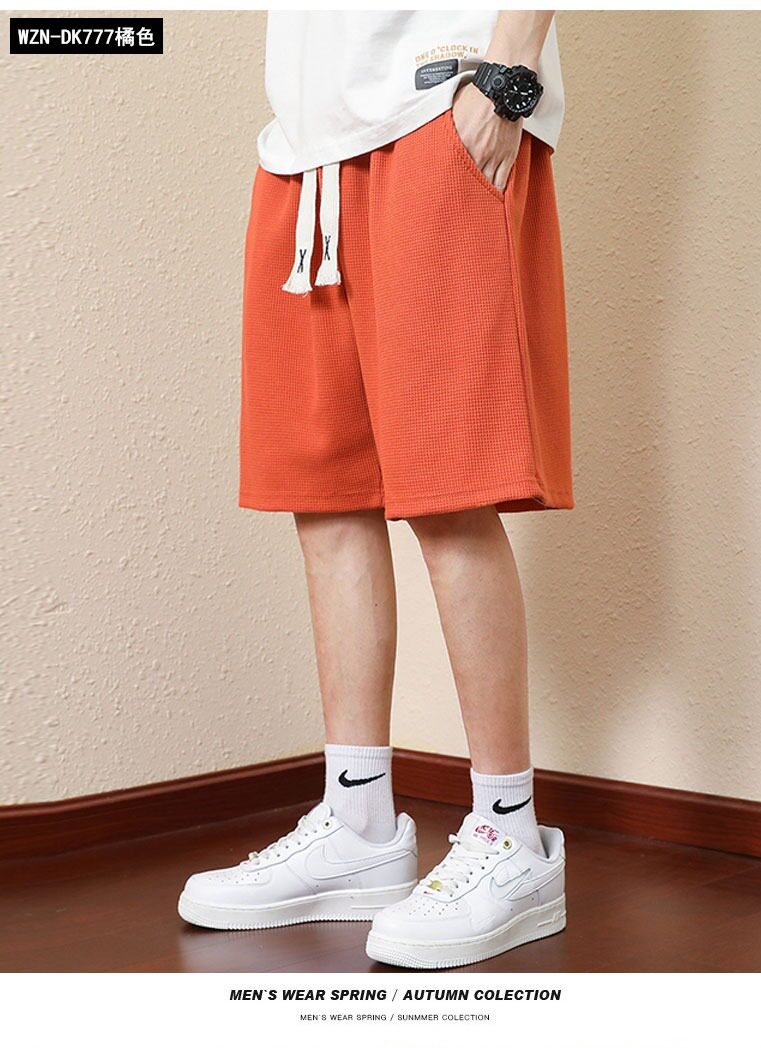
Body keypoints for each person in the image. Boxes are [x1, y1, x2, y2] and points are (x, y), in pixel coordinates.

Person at [179, 9, 573, 970]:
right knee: (325, 493)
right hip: (303, 145)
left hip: (440, 103)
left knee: (449, 490)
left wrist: (506, 81)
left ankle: (511, 834)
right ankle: (357, 822)